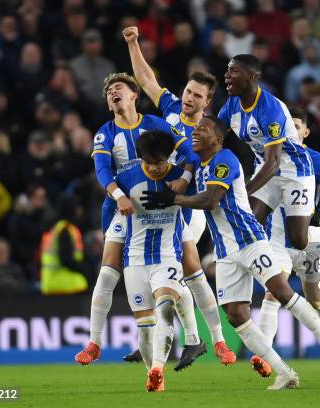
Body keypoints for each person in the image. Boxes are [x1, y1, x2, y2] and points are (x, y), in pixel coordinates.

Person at [142, 115, 320, 390]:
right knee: (236, 315)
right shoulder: (200, 168)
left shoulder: (224, 159)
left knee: (281, 292)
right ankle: (284, 372)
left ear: (217, 138)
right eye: (193, 130)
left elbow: (211, 199)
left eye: (201, 129)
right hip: (226, 252)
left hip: (250, 240)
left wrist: (174, 198)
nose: (195, 133)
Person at [123, 26, 235, 365]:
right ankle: (154, 334)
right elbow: (144, 78)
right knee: (163, 268)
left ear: (206, 102)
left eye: (197, 96)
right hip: (162, 201)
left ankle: (215, 341)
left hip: (189, 208)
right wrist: (133, 43)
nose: (189, 98)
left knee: (187, 263)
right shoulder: (170, 107)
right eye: (188, 92)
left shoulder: (208, 132)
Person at [75, 72, 200, 366]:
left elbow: (190, 152)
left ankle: (198, 339)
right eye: (108, 93)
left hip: (165, 206)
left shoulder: (156, 125)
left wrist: (183, 179)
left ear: (134, 95)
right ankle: (94, 342)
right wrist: (118, 194)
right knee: (107, 273)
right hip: (124, 207)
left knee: (189, 270)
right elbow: (103, 170)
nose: (113, 93)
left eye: (118, 88)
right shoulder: (105, 133)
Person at [218, 54, 320, 289]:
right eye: (227, 70)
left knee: (299, 240)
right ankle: (259, 270)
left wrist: (241, 190)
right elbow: (215, 132)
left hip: (294, 171)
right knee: (249, 220)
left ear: (252, 77)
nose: (226, 76)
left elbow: (274, 162)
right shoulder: (232, 104)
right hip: (267, 169)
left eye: (233, 71)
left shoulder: (270, 109)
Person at [253, 107, 320, 377]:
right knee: (273, 294)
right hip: (277, 242)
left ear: (306, 131)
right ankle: (266, 356)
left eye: (296, 126)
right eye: (287, 125)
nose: (291, 130)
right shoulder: (267, 158)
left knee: (315, 299)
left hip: (306, 242)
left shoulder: (314, 159)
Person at [107, 130, 188, 392]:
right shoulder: (127, 179)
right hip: (135, 260)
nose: (154, 168)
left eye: (160, 162)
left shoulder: (180, 176)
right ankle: (153, 376)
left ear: (169, 158)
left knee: (165, 309)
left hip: (168, 257)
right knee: (144, 327)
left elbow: (203, 193)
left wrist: (185, 180)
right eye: (148, 162)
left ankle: (157, 368)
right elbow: (108, 201)